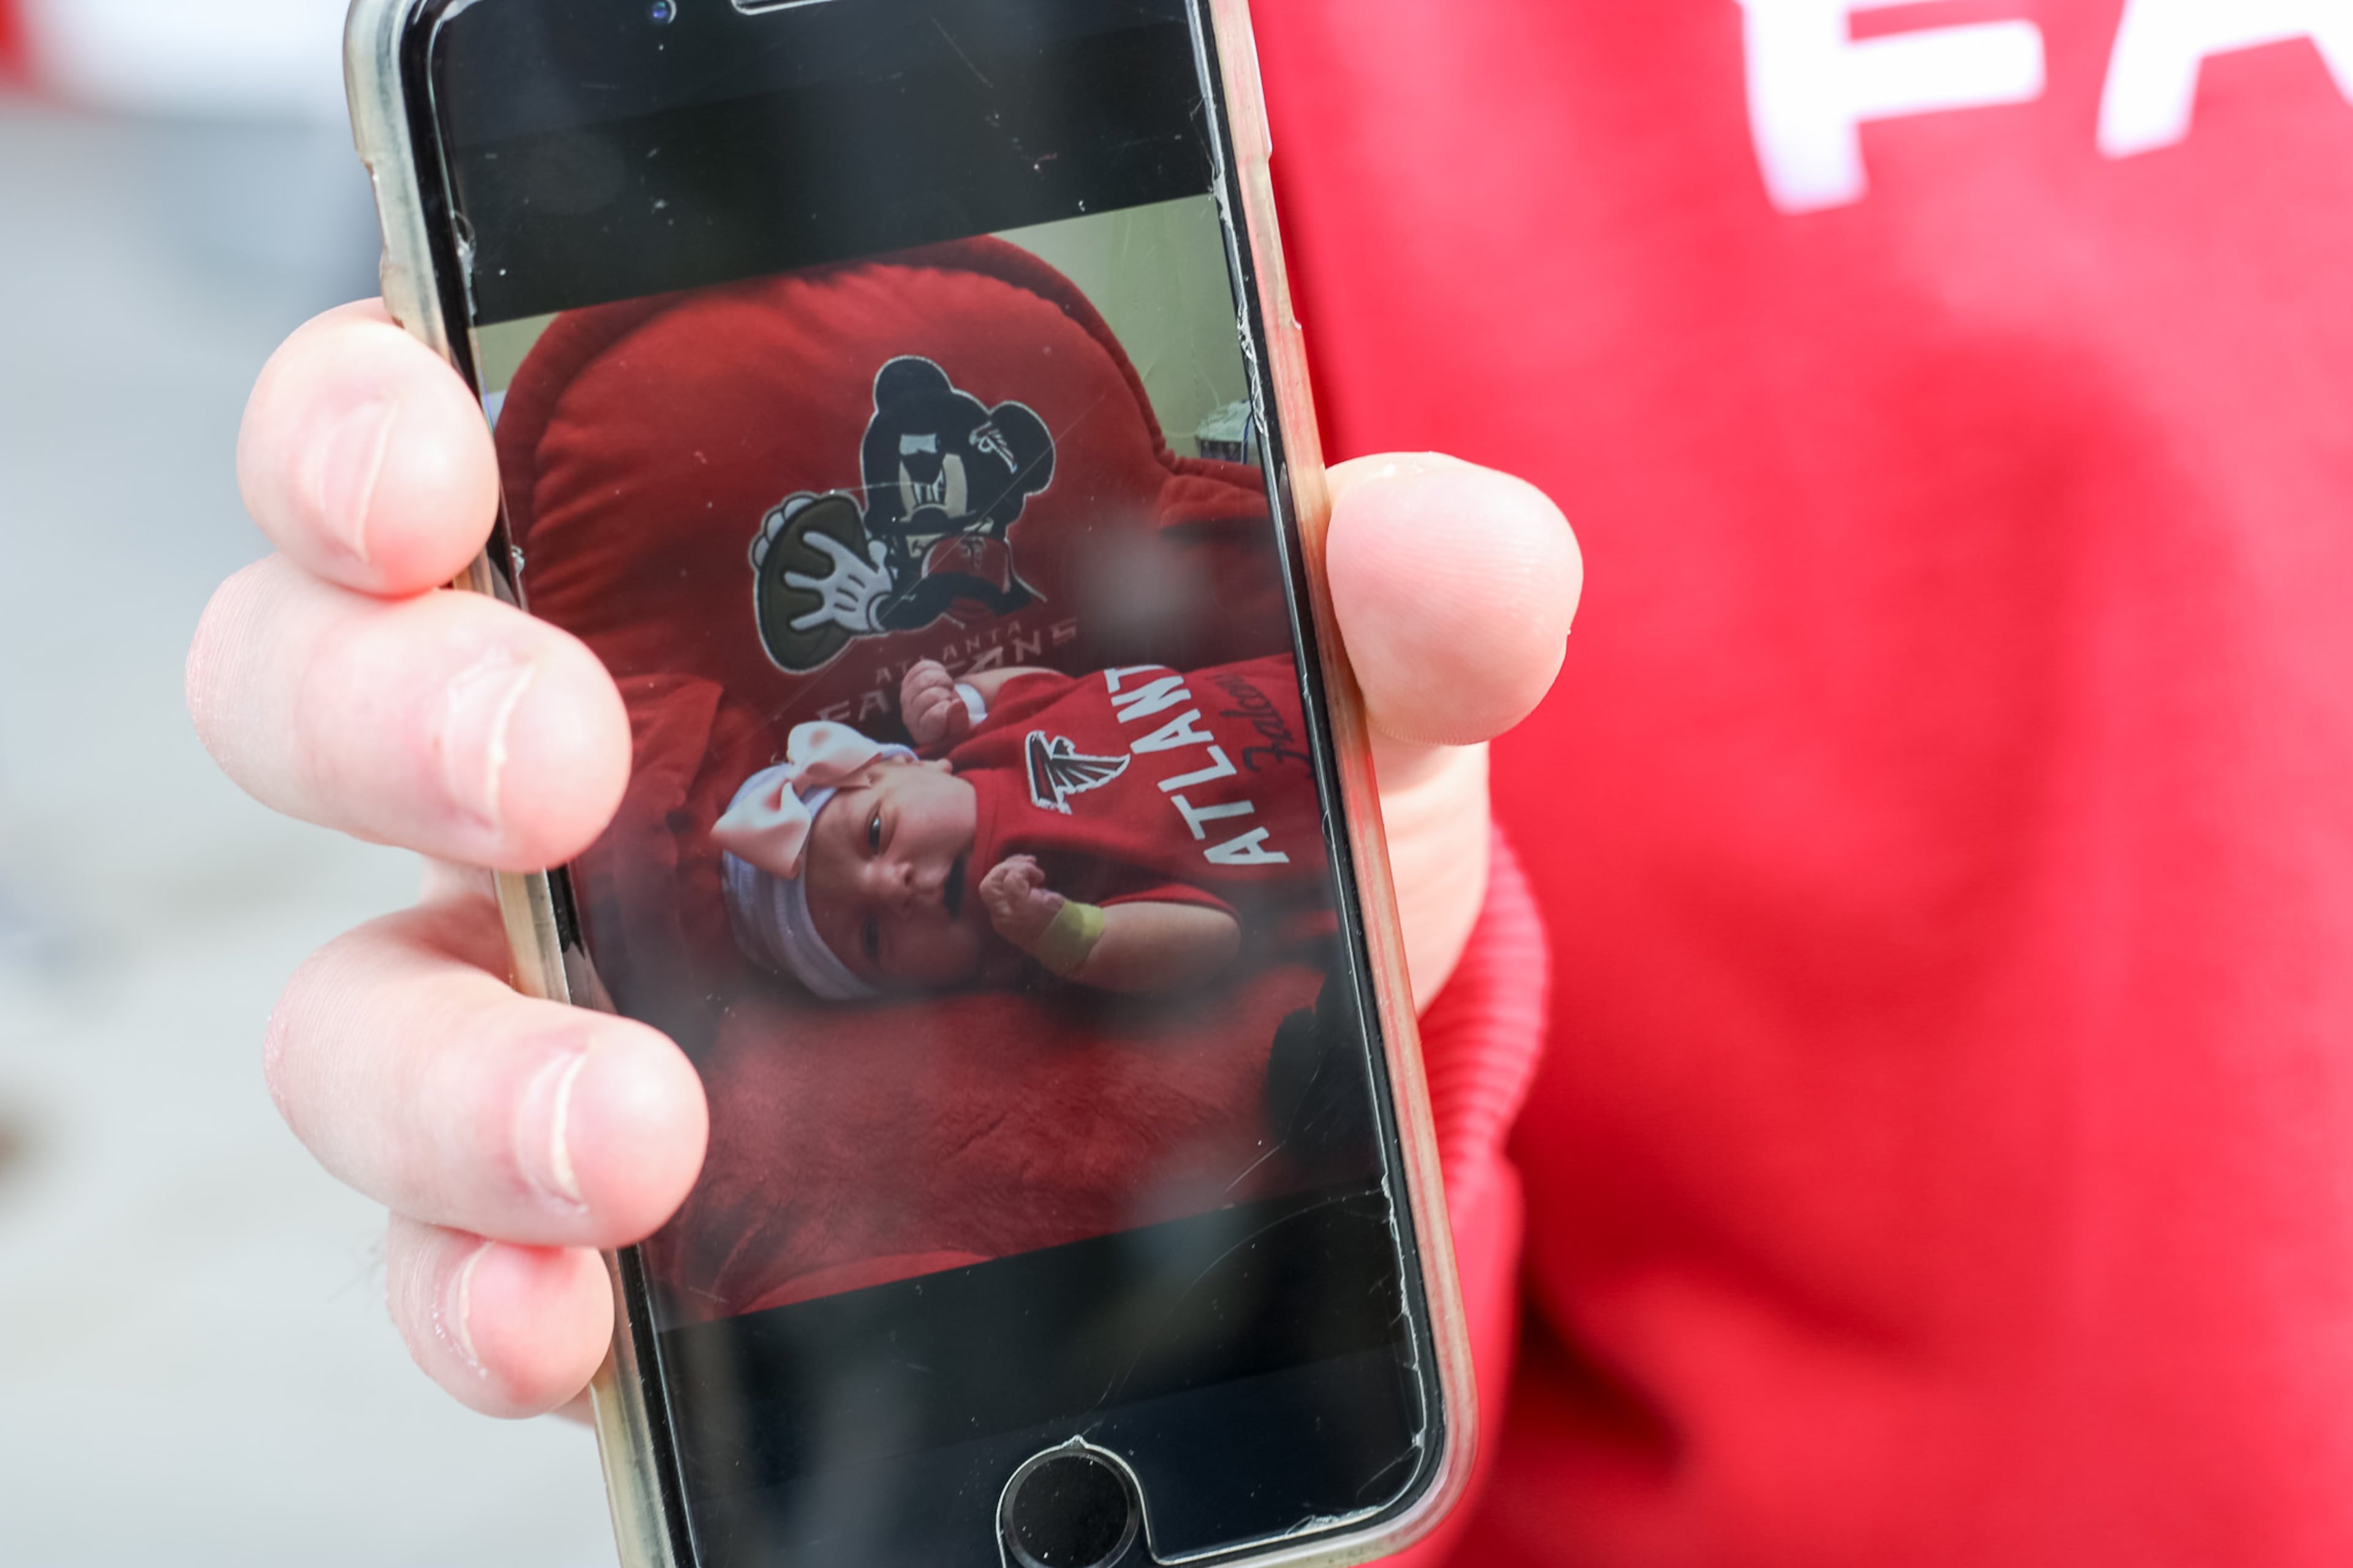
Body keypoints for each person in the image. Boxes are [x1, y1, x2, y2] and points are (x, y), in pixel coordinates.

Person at [192, 3, 2353, 1565]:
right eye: (867, 903)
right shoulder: (1035, 853)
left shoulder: (990, 712)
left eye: (849, 827)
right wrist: (1320, 999)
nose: (895, 869)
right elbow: (1247, 917)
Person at [713, 656, 1325, 999]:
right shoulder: (1029, 927)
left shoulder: (992, 735)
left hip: (1298, 673)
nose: (889, 887)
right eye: (871, 938)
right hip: (1342, 815)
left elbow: (1049, 686)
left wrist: (963, 696)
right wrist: (1073, 935)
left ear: (917, 763)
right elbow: (1216, 937)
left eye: (876, 833)